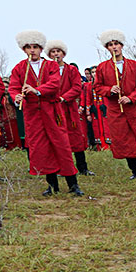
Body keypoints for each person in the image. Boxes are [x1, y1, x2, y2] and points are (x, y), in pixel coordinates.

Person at [7, 30, 82, 196]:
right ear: (23, 50)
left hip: (52, 110)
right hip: (32, 113)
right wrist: (16, 96)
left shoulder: (51, 65)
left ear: (41, 49)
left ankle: (73, 184)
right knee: (41, 148)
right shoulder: (19, 68)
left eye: (35, 47)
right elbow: (13, 87)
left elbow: (55, 84)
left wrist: (37, 90)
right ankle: (52, 185)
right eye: (28, 47)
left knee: (61, 145)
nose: (32, 50)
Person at [94, 29, 136, 179]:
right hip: (115, 110)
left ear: (121, 45)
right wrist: (110, 90)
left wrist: (131, 98)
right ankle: (135, 171)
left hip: (133, 108)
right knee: (124, 140)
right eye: (111, 44)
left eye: (116, 44)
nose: (114, 47)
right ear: (107, 48)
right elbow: (97, 87)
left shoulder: (134, 65)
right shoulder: (102, 67)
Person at [44, 40, 92, 176]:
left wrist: (64, 98)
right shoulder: (45, 71)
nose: (55, 54)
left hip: (69, 108)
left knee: (75, 137)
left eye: (58, 51)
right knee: (58, 139)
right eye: (52, 52)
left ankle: (83, 168)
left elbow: (77, 87)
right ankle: (61, 168)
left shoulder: (71, 70)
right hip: (53, 109)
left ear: (63, 53)